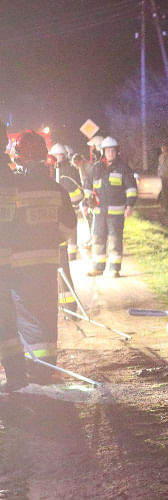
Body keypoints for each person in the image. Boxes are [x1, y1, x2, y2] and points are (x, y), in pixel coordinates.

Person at [10, 130, 77, 383]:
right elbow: (69, 228)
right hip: (48, 262)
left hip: (20, 264)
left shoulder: (13, 189)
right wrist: (50, 240)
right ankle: (46, 363)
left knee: (26, 313)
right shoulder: (56, 189)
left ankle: (33, 364)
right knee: (47, 310)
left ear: (19, 159)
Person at [82, 136, 137, 277]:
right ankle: (98, 267)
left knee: (114, 239)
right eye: (108, 151)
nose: (110, 153)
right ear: (103, 152)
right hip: (99, 212)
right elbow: (87, 187)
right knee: (97, 238)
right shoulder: (96, 168)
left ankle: (114, 268)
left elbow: (131, 188)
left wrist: (129, 206)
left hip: (116, 213)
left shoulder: (123, 168)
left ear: (117, 152)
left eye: (113, 151)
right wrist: (86, 203)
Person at [0, 125, 27, 392]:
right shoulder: (11, 176)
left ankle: (17, 375)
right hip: (7, 259)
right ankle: (17, 374)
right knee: (5, 318)